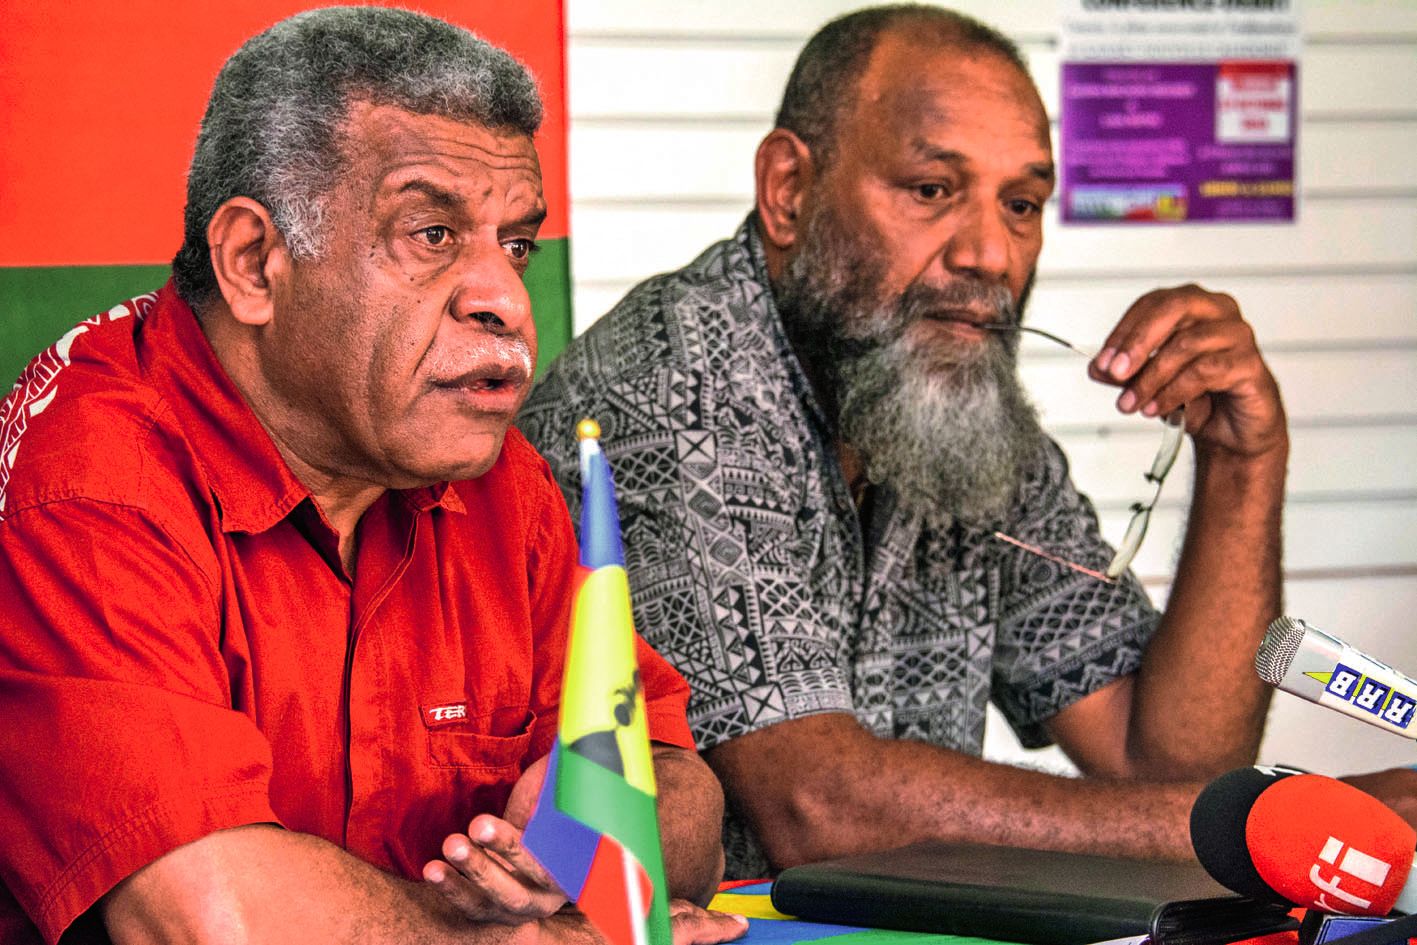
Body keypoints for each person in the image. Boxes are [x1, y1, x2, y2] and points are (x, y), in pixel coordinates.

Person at [520, 4, 1417, 880]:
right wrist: (1277, 820)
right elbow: (814, 803)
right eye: (931, 190)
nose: (990, 253)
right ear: (788, 191)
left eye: (1021, 204)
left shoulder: (945, 395)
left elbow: (1159, 759)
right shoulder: (674, 388)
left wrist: (1241, 462)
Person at [0, 8, 748, 944]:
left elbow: (682, 795)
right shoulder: (91, 477)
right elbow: (208, 918)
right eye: (432, 233)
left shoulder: (496, 481)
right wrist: (522, 938)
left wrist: (584, 835)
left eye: (516, 243)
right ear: (254, 263)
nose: (507, 300)